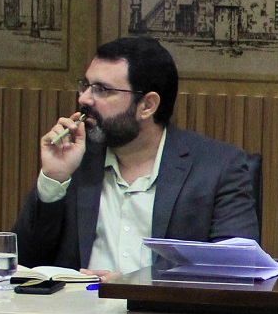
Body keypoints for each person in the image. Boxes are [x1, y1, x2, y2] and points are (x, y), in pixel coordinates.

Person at [14, 36, 260, 276]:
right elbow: (23, 263)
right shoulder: (75, 160)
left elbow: (236, 273)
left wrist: (136, 287)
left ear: (147, 105)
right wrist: (54, 178)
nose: (84, 98)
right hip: (78, 303)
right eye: (85, 86)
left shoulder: (217, 168)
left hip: (158, 305)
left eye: (101, 90)